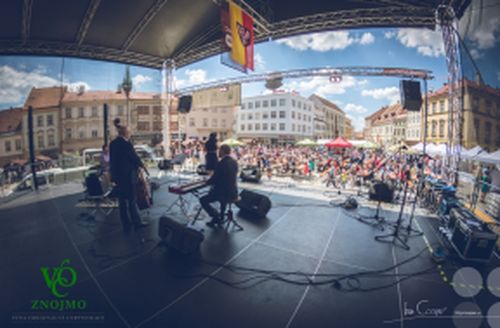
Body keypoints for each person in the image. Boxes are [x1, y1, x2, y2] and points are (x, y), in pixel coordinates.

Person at [109, 125, 149, 232]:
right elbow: (134, 157)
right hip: (128, 177)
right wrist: (143, 167)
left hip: (118, 177)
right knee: (132, 200)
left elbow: (112, 161)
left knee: (122, 201)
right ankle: (137, 223)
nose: (130, 133)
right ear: (125, 133)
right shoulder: (127, 144)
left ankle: (126, 224)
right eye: (129, 132)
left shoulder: (112, 144)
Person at [200, 144, 238, 228]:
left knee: (203, 200)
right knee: (220, 195)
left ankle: (215, 216)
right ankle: (221, 216)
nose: (218, 152)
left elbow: (214, 179)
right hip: (233, 192)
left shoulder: (221, 163)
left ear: (222, 151)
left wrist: (205, 182)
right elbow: (226, 177)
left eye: (219, 151)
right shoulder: (234, 162)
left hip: (223, 193)